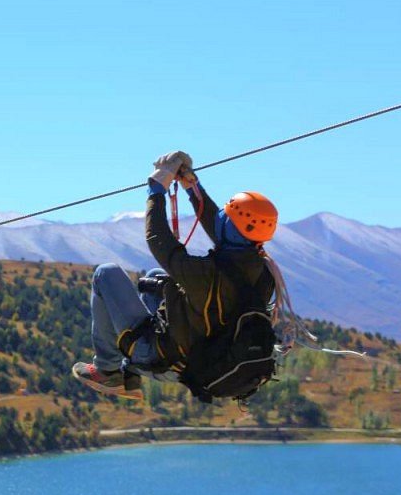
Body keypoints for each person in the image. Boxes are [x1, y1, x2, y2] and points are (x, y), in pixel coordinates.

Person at [72, 151, 278, 400]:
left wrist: (157, 188)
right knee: (155, 278)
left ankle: (108, 371)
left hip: (164, 358)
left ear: (231, 227)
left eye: (227, 216)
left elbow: (158, 239)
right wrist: (192, 187)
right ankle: (130, 372)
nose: (221, 218)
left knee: (106, 274)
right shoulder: (263, 272)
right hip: (197, 360)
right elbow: (225, 231)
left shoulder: (204, 274)